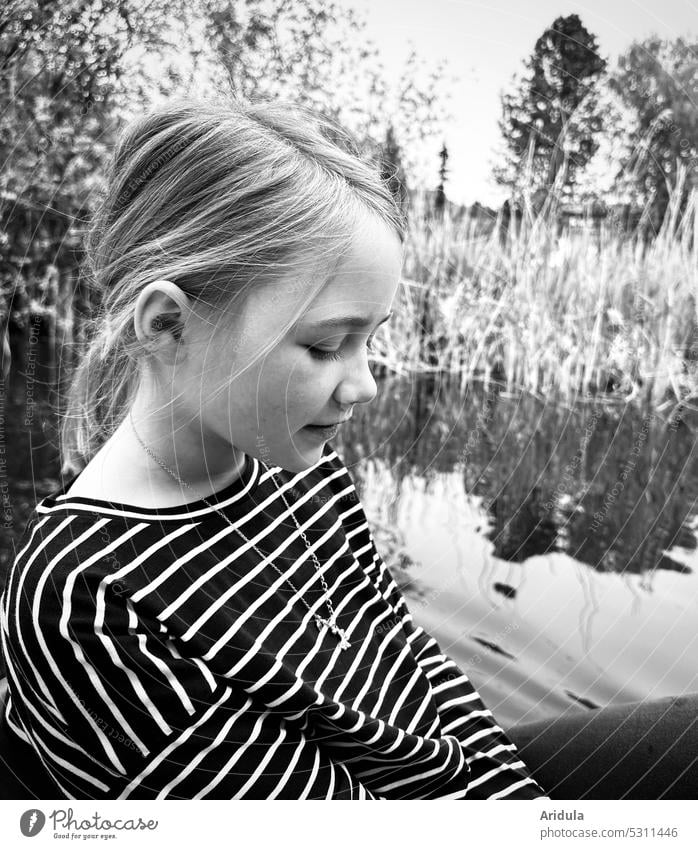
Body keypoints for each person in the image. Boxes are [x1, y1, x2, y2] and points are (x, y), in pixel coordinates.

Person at [0, 97, 547, 800]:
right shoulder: (89, 602)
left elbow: (414, 667)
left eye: (371, 340)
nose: (366, 385)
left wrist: (523, 805)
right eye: (324, 345)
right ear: (168, 325)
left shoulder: (301, 468)